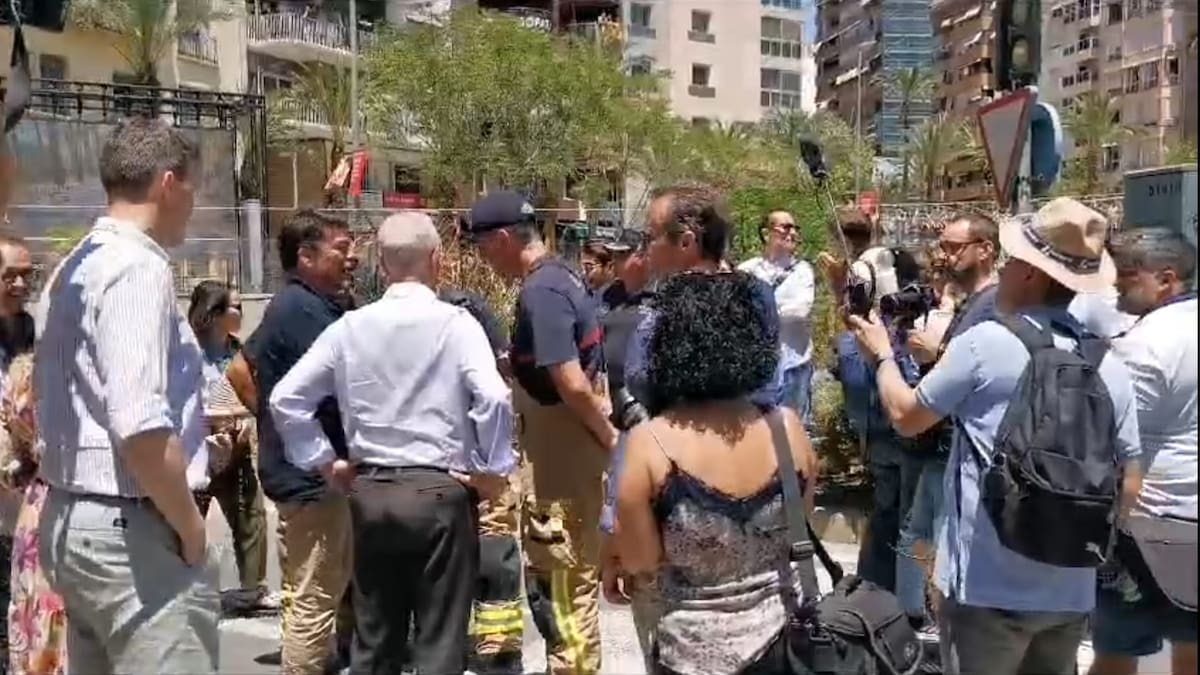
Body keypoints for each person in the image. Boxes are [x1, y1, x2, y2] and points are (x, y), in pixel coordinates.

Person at [847, 197, 1144, 675]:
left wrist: (883, 356)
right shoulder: (1107, 361)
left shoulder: (986, 343)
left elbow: (906, 416)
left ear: (1029, 272)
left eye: (1008, 263)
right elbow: (1129, 479)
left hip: (986, 587)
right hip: (1070, 591)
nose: (1002, 273)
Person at [270, 212, 517, 675]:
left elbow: (287, 398)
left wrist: (326, 462)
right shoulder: (457, 324)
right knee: (439, 640)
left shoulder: (350, 327)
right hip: (441, 492)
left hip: (372, 492)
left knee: (374, 638)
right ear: (438, 260)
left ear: (381, 265)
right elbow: (494, 396)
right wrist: (493, 468)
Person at [33, 117, 219, 673]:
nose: (194, 201)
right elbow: (140, 425)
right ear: (169, 183)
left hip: (75, 518)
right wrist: (189, 527)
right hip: (131, 527)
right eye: (193, 185)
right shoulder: (136, 267)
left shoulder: (75, 263)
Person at [615, 271, 818, 674]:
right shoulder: (788, 429)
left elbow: (641, 563)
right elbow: (800, 529)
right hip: (782, 645)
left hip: (687, 653)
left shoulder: (649, 445)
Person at [465, 191, 615, 675]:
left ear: (505, 239)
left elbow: (571, 382)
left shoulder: (542, 291)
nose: (481, 257)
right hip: (562, 460)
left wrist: (612, 441)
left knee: (564, 593)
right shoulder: (560, 275)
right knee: (566, 586)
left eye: (484, 246)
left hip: (561, 469)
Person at [241, 208, 358, 675]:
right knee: (314, 597)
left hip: (332, 476)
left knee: (343, 586)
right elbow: (240, 372)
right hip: (313, 480)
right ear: (306, 256)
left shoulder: (327, 305)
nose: (352, 259)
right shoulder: (298, 311)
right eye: (342, 251)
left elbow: (243, 365)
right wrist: (281, 426)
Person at [1090, 228, 1197, 675]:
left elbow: (1110, 438)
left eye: (1126, 278)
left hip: (1144, 529)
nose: (1115, 289)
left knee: (1116, 653)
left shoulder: (1143, 344)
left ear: (1165, 278)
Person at [895, 212, 1000, 634]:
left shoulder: (992, 306)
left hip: (963, 440)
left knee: (936, 535)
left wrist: (933, 357)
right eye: (944, 246)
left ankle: (933, 620)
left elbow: (977, 373)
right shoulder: (972, 302)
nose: (945, 255)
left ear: (985, 249)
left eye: (954, 247)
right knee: (918, 531)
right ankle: (910, 616)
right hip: (942, 437)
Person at [438, 286, 524, 675]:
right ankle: (498, 650)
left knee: (452, 564)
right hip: (487, 477)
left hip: (444, 477)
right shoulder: (489, 377)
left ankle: (453, 645)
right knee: (495, 558)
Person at [185, 280, 276, 616]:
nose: (241, 311)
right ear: (214, 313)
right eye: (234, 306)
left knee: (250, 515)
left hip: (235, 444)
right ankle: (183, 584)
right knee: (189, 518)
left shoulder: (239, 352)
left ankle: (253, 588)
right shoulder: (187, 353)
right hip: (197, 451)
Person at [738, 210, 817, 427]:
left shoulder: (803, 271)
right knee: (756, 430)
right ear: (766, 233)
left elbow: (801, 310)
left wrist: (760, 310)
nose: (792, 232)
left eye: (795, 228)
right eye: (785, 227)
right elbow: (737, 312)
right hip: (757, 368)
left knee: (794, 430)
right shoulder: (747, 271)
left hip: (794, 365)